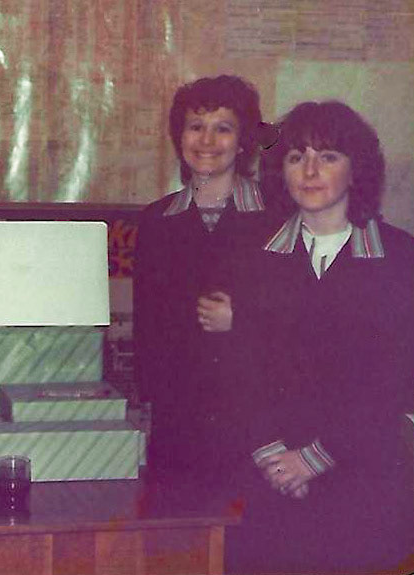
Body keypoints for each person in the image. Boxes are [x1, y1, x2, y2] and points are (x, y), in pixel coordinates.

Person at [227, 101, 414, 574]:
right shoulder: (257, 257)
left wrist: (315, 459)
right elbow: (240, 368)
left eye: (329, 156)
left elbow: (392, 379)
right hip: (271, 474)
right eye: (297, 157)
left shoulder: (397, 256)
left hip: (362, 473)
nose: (310, 171)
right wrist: (273, 454)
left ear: (357, 169)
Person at [133, 75, 278, 494]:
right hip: (180, 416)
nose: (207, 140)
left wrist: (243, 318)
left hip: (255, 412)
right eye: (196, 126)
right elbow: (148, 324)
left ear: (244, 139)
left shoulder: (277, 216)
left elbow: (299, 312)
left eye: (223, 127)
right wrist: (146, 408)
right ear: (179, 136)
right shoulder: (156, 220)